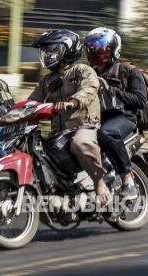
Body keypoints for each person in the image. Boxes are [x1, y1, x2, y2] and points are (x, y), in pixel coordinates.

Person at [28, 29, 110, 205]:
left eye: (52, 51)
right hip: (59, 131)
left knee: (81, 144)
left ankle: (99, 182)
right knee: (36, 151)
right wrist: (13, 114)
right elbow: (32, 100)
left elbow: (90, 88)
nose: (48, 55)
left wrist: (72, 102)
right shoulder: (48, 80)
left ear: (67, 49)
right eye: (46, 52)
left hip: (83, 125)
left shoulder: (82, 70)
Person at [84, 27, 147, 200]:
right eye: (91, 47)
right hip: (97, 119)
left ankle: (128, 179)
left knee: (107, 133)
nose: (95, 51)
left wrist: (112, 90)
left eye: (100, 47)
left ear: (112, 48)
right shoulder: (89, 74)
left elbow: (140, 100)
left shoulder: (129, 70)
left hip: (124, 118)